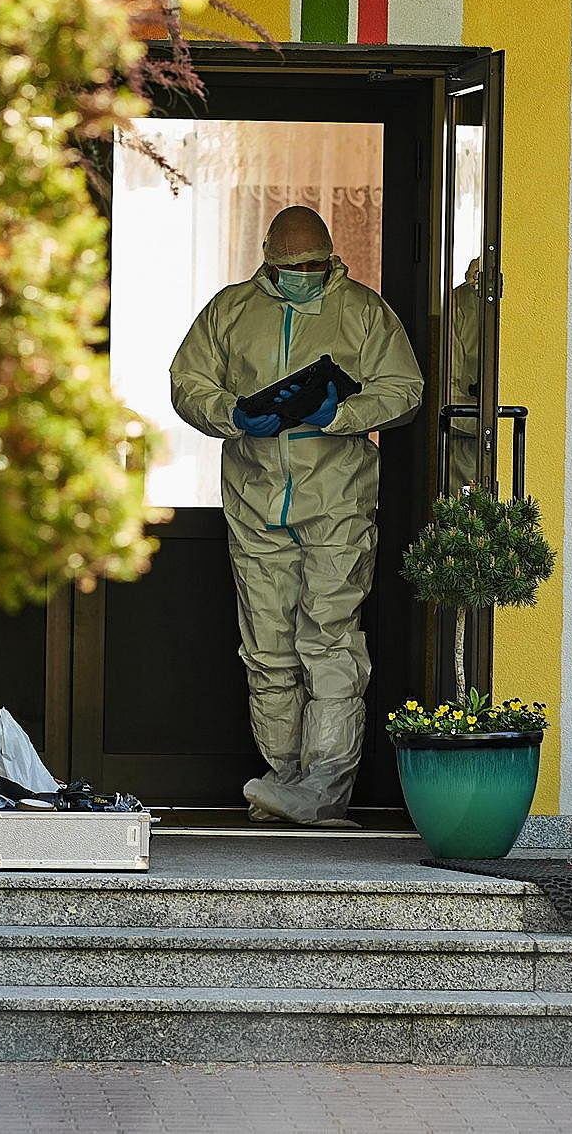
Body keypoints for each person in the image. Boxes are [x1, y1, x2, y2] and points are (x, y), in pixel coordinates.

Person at [168, 206, 424, 826]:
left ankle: (325, 788)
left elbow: (404, 389)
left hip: (337, 500)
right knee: (267, 648)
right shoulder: (230, 310)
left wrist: (339, 415)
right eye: (289, 268)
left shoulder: (363, 312)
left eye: (312, 267)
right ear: (268, 259)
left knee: (329, 640)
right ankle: (284, 782)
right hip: (256, 502)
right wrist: (230, 413)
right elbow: (187, 382)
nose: (301, 277)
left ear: (331, 257)